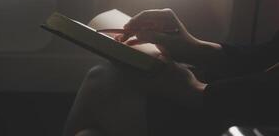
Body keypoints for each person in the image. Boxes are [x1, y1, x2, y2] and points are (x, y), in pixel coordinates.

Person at [63, 9, 279, 136]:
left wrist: (197, 91)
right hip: (248, 95)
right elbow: (270, 53)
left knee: (102, 82)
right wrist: (197, 49)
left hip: (253, 115)